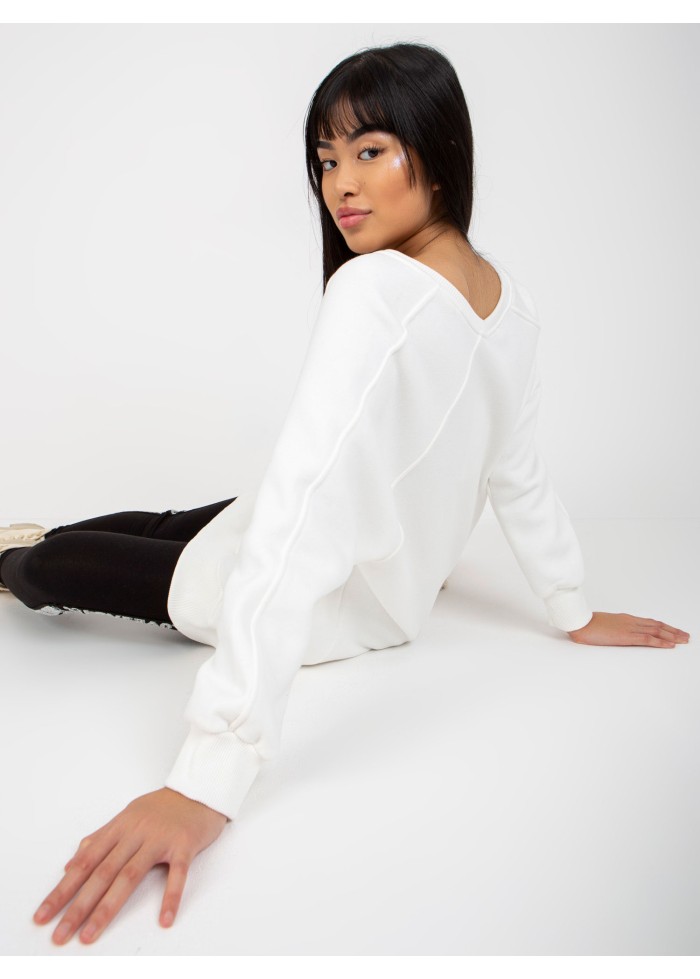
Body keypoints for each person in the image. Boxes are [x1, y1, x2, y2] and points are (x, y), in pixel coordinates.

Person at [0, 41, 688, 946]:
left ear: (438, 152)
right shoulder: (512, 304)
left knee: (50, 569)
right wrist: (571, 605)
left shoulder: (377, 291)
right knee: (168, 521)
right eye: (326, 159)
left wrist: (209, 773)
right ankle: (40, 530)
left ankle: (15, 558)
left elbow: (327, 502)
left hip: (300, 590)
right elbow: (509, 474)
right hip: (306, 547)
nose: (340, 185)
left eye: (369, 150)